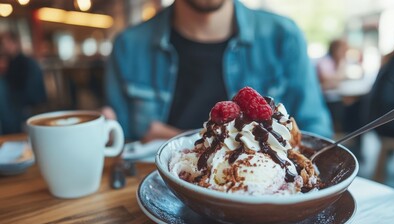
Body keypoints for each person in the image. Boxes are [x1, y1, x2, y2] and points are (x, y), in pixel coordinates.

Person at [105, 0, 332, 141]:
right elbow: (120, 143)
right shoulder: (129, 45)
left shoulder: (283, 36)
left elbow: (316, 133)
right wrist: (103, 132)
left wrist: (182, 141)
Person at [0, 31, 46, 134]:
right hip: (15, 103)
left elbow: (31, 92)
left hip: (23, 105)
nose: (3, 47)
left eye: (5, 43)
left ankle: (10, 135)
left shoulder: (25, 63)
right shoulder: (10, 62)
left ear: (15, 43)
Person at [316, 39, 348, 131]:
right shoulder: (325, 61)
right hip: (326, 98)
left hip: (335, 96)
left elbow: (337, 80)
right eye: (343, 50)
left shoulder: (337, 62)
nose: (344, 53)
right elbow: (327, 80)